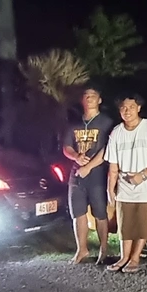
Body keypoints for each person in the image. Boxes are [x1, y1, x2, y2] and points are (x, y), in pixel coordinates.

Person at [104, 95, 147, 273]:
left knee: (143, 224)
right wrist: (110, 188)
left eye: (131, 107)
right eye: (123, 108)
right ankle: (124, 257)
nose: (127, 111)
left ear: (139, 108)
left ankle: (135, 258)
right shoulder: (116, 132)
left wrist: (143, 175)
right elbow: (113, 165)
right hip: (124, 186)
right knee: (125, 224)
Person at [62, 86, 116, 265]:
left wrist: (89, 166)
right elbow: (67, 147)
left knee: (100, 213)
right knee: (78, 212)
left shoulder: (107, 122)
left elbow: (108, 148)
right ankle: (82, 249)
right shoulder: (74, 124)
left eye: (93, 95)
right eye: (86, 95)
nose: (89, 98)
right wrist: (76, 157)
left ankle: (104, 249)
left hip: (98, 174)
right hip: (76, 174)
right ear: (81, 100)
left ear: (99, 100)